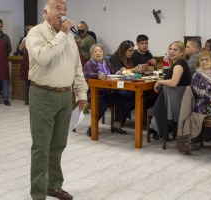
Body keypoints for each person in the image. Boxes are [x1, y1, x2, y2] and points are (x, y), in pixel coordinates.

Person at [25, 0, 88, 199]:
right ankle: (38, 193)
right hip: (42, 94)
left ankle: (53, 185)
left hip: (64, 96)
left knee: (58, 145)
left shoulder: (69, 37)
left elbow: (77, 67)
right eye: (58, 9)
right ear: (45, 12)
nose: (63, 13)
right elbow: (44, 57)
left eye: (65, 9)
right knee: (41, 147)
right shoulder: (35, 33)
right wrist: (62, 33)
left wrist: (81, 93)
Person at [83, 44, 134, 136]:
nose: (98, 53)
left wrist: (121, 71)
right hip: (95, 93)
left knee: (122, 98)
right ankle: (92, 126)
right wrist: (97, 75)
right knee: (102, 104)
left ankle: (117, 125)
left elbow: (114, 71)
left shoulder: (106, 62)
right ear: (91, 54)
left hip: (108, 92)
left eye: (100, 51)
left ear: (103, 53)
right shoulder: (89, 64)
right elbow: (87, 74)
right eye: (95, 51)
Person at [149, 41, 192, 140]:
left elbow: (173, 83)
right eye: (170, 49)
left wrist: (160, 82)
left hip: (176, 101)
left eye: (175, 50)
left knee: (152, 99)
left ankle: (157, 128)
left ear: (181, 53)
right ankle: (156, 128)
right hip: (177, 98)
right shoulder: (180, 62)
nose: (171, 51)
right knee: (154, 98)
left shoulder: (179, 65)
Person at [16, 23, 35, 105]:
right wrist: (27, 39)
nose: (30, 31)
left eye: (31, 29)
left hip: (35, 64)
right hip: (26, 63)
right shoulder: (24, 38)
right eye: (28, 29)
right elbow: (20, 48)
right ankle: (28, 99)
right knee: (27, 83)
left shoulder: (39, 38)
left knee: (35, 84)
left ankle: (34, 100)